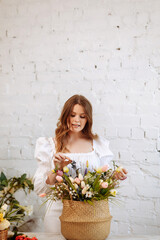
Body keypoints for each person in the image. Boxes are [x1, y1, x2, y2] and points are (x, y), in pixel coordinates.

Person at [33, 94, 127, 234]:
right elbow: (40, 188)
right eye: (72, 115)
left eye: (82, 116)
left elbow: (102, 179)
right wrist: (57, 170)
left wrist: (115, 175)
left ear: (88, 119)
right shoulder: (50, 145)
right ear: (65, 116)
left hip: (91, 214)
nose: (76, 120)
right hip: (58, 213)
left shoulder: (99, 144)